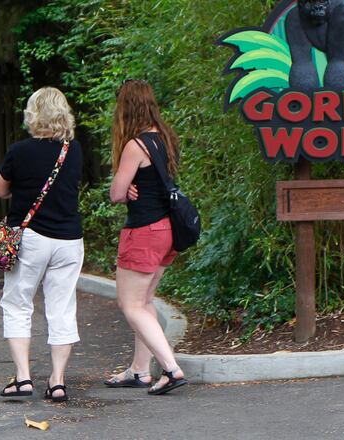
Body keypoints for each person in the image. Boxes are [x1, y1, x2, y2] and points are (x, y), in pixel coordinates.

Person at [0, 87, 84, 403]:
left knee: (18, 303)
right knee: (61, 307)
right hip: (70, 240)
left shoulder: (19, 151)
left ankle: (23, 378)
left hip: (31, 239)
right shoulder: (74, 150)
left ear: (33, 115)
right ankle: (57, 381)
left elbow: (0, 190)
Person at [104, 79, 187, 395]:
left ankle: (171, 369)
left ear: (127, 108)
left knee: (130, 305)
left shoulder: (134, 146)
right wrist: (130, 189)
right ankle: (140, 370)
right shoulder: (165, 138)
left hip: (143, 232)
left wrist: (124, 190)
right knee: (145, 301)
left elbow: (114, 193)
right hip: (166, 229)